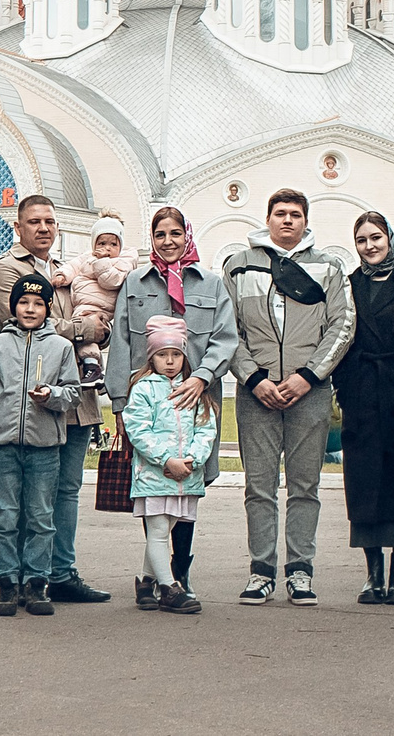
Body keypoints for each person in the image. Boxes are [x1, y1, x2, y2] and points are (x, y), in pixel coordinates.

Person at [222, 188, 357, 606]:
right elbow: (229, 330)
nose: (287, 220)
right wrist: (253, 378)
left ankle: (300, 571)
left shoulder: (329, 267)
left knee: (304, 487)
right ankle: (261, 572)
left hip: (309, 393)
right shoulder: (239, 266)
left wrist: (308, 376)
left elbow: (343, 325)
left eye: (295, 214)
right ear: (268, 219)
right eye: (279, 213)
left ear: (305, 221)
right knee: (259, 487)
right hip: (256, 394)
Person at [105, 205, 235, 608]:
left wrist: (201, 378)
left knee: (187, 485)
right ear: (152, 239)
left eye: (175, 233)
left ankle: (175, 573)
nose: (168, 241)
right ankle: (165, 580)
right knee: (156, 487)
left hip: (196, 400)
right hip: (148, 405)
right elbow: (121, 342)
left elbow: (225, 339)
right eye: (160, 234)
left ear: (187, 235)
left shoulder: (211, 285)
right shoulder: (135, 282)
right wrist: (120, 402)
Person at [0, 194, 111, 603]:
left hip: (75, 396)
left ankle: (61, 573)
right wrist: (87, 329)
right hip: (31, 402)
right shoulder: (6, 269)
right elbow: (28, 323)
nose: (43, 228)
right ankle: (23, 578)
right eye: (34, 221)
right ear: (18, 227)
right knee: (30, 497)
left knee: (67, 490)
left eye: (50, 222)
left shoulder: (64, 270)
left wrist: (100, 327)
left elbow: (95, 313)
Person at [333, 210, 394, 605]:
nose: (370, 246)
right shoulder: (348, 285)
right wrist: (346, 388)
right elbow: (339, 337)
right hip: (361, 396)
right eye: (362, 240)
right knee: (365, 484)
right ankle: (373, 573)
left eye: (376, 237)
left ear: (390, 238)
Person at [0, 274, 79, 616]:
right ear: (13, 307)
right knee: (4, 517)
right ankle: (6, 584)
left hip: (44, 447)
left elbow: (73, 393)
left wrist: (51, 395)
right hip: (3, 446)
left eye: (38, 304)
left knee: (41, 517)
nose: (30, 309)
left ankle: (36, 584)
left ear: (48, 308)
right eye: (23, 302)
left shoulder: (61, 347)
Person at [118, 314, 210, 615]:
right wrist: (167, 460)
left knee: (168, 525)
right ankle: (169, 588)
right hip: (155, 475)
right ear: (151, 357)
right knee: (158, 529)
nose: (170, 361)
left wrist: (192, 460)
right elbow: (138, 430)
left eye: (176, 354)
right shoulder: (144, 388)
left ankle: (146, 582)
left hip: (186, 476)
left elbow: (205, 428)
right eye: (162, 355)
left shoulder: (193, 390)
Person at [51, 211, 133, 387]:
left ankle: (92, 367)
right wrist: (61, 276)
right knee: (81, 332)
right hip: (82, 303)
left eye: (113, 244)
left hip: (99, 306)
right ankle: (95, 372)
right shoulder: (88, 256)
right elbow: (73, 266)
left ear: (121, 245)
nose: (107, 248)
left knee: (85, 334)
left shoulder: (124, 260)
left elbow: (111, 281)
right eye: (102, 243)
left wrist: (101, 262)